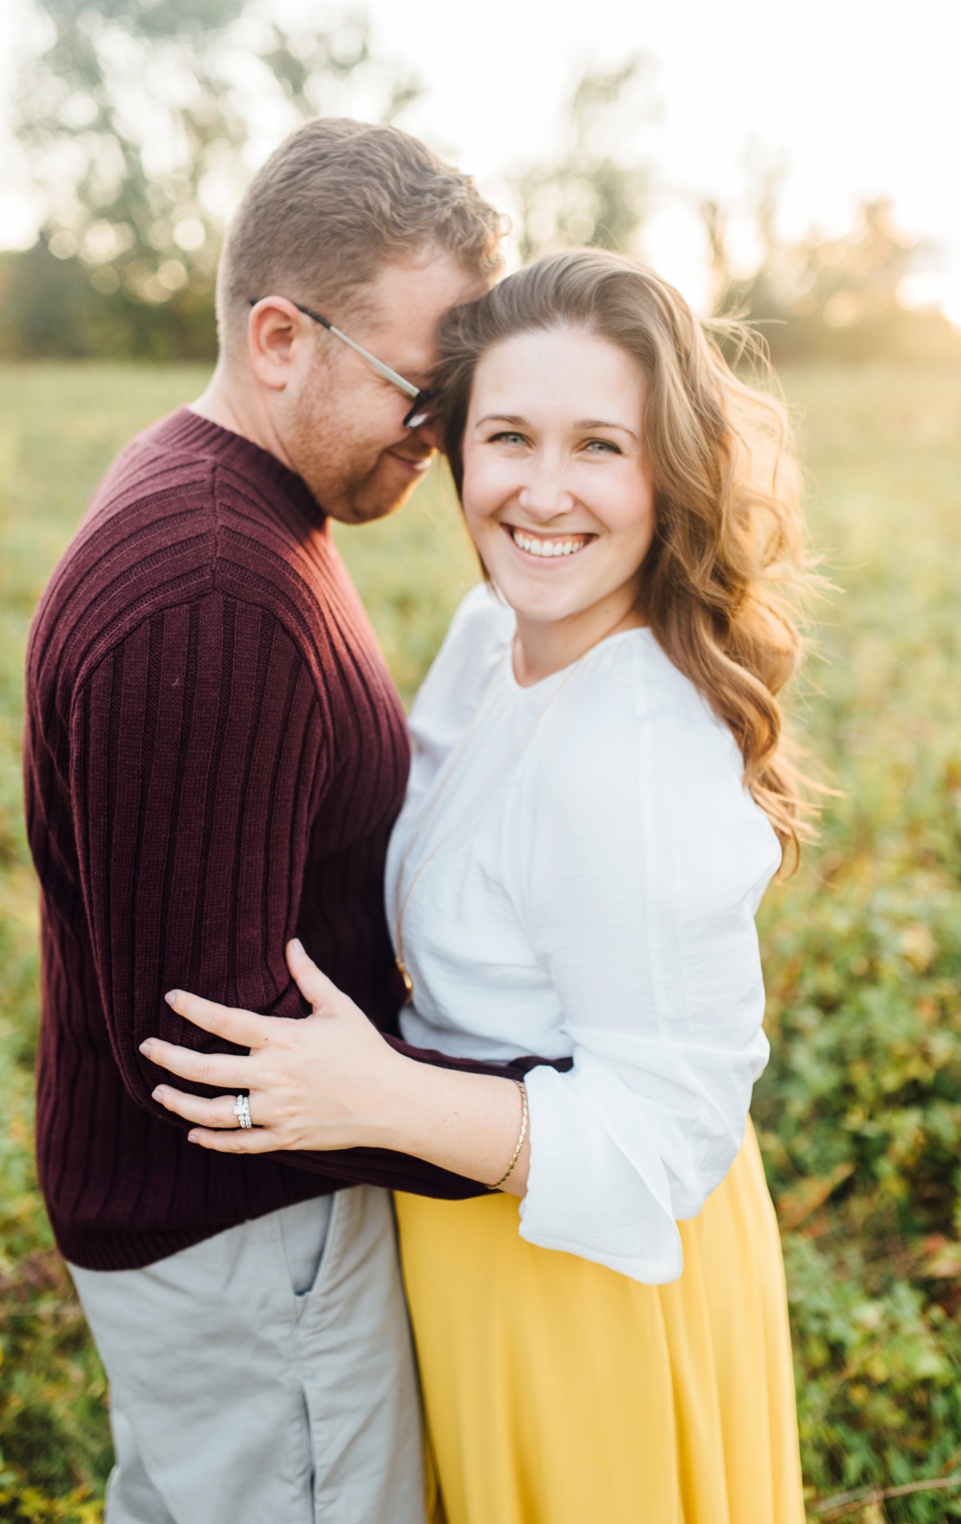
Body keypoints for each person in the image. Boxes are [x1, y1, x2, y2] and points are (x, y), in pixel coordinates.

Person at [144, 248, 809, 1520]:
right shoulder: (487, 633)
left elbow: (664, 1145)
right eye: (507, 435)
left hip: (590, 1293)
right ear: (452, 447)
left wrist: (375, 1094)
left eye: (598, 447)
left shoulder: (635, 759)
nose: (542, 492)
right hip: (467, 1251)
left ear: (668, 469)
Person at [22, 118, 555, 1522]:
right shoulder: (213, 583)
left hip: (236, 1241)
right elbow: (208, 1052)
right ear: (278, 340)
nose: (440, 444)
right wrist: (520, 1119)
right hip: (248, 1251)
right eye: (420, 391)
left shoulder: (246, 504)